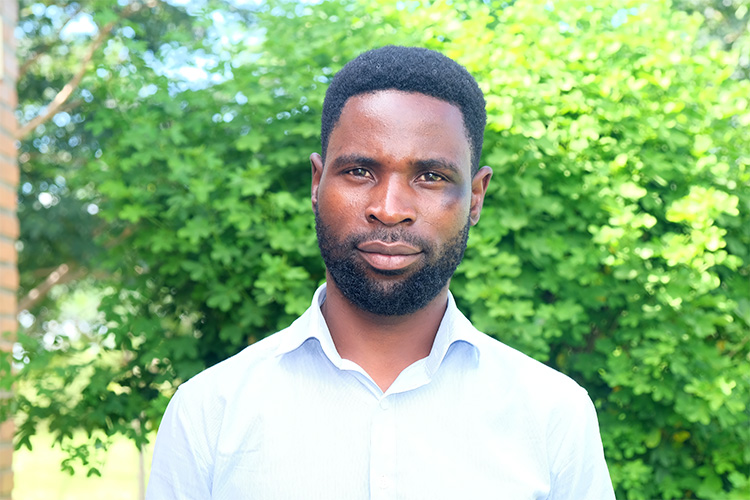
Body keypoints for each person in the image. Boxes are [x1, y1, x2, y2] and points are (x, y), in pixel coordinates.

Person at [146, 46, 616, 500]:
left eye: (430, 176)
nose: (389, 210)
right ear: (317, 182)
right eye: (359, 171)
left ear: (475, 197)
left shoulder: (554, 414)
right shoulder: (209, 411)